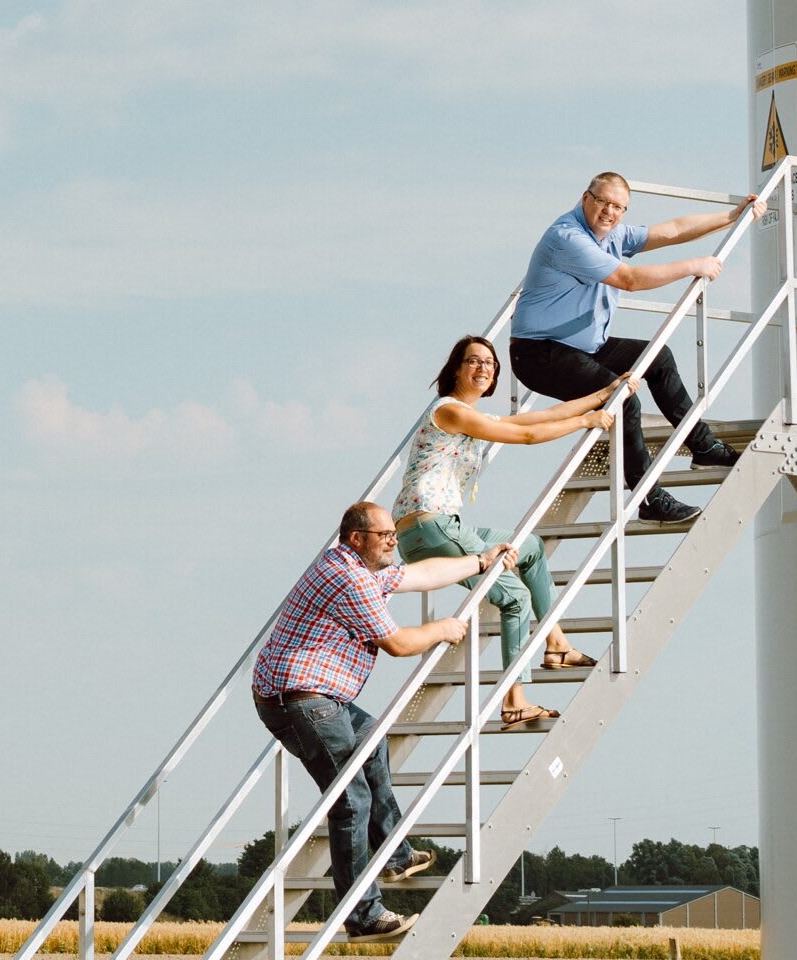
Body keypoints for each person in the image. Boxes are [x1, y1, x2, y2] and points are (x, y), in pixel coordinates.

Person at [250, 502, 513, 942]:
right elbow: (398, 642)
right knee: (351, 800)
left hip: (316, 697)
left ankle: (394, 854)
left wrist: (481, 560)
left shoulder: (362, 568)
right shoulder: (349, 577)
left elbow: (419, 575)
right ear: (357, 539)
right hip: (300, 700)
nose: (394, 540)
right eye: (385, 535)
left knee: (372, 740)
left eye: (393, 533)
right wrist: (443, 629)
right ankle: (363, 916)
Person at [394, 336, 637, 726]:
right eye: (473, 361)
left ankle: (555, 644)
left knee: (532, 547)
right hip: (432, 526)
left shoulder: (469, 416)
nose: (483, 368)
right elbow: (525, 437)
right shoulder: (450, 412)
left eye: (490, 364)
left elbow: (529, 420)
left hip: (434, 529)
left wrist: (601, 395)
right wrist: (586, 422)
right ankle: (513, 701)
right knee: (514, 598)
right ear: (455, 369)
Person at [509, 172, 765, 523]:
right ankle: (648, 499)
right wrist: (695, 266)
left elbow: (671, 230)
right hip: (540, 354)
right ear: (586, 198)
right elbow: (629, 280)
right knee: (624, 398)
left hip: (583, 347)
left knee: (656, 357)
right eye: (602, 202)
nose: (609, 212)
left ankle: (702, 445)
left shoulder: (612, 234)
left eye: (618, 207)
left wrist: (731, 217)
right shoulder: (566, 237)